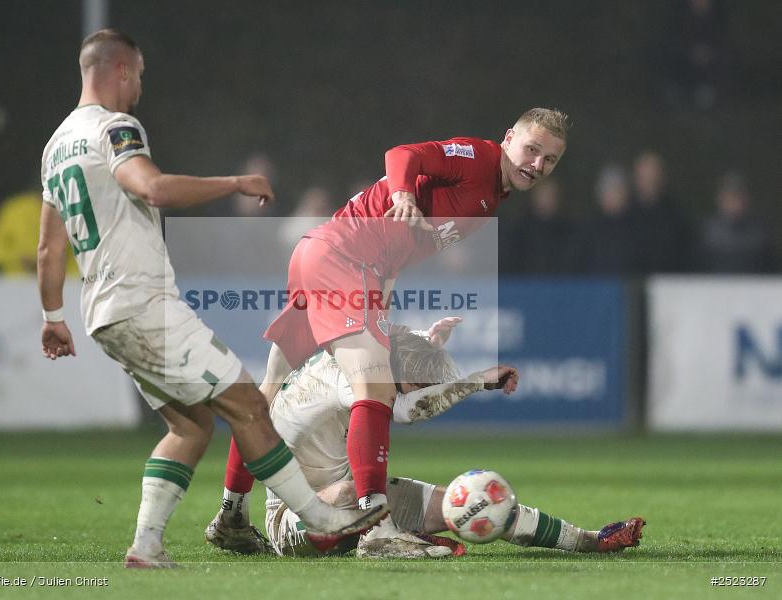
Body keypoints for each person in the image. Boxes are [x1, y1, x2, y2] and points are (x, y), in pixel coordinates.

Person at [37, 28, 384, 568]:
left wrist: (52, 316)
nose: (140, 90)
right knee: (248, 404)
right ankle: (322, 516)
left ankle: (147, 547)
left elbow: (46, 247)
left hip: (101, 313)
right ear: (122, 70)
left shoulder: (55, 147)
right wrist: (233, 183)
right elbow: (150, 187)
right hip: (142, 303)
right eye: (140, 76)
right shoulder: (115, 127)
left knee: (191, 425)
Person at [209, 109, 569, 551]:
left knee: (269, 389)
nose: (536, 164)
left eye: (549, 160)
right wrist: (402, 194)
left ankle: (231, 512)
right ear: (509, 138)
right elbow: (403, 154)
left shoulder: (491, 197)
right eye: (532, 150)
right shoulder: (479, 157)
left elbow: (398, 252)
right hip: (345, 258)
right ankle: (378, 530)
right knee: (375, 392)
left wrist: (392, 318)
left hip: (324, 256)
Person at [257, 325, 645, 557]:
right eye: (416, 385)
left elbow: (403, 366)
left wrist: (429, 341)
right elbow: (408, 409)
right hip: (292, 519)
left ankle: (589, 540)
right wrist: (475, 381)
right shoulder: (350, 376)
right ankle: (382, 540)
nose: (414, 393)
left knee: (474, 501)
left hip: (365, 497)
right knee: (345, 494)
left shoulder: (373, 361)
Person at [0, 189, 79, 277]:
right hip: (16, 284)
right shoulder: (13, 209)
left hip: (63, 284)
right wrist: (20, 259)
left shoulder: (72, 209)